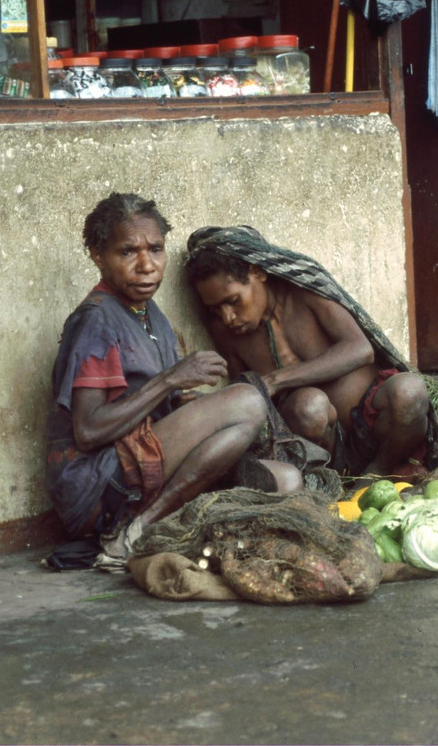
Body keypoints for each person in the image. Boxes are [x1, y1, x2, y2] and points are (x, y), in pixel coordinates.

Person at [45, 194, 301, 559]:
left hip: (146, 467)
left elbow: (156, 406)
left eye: (156, 249)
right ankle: (137, 531)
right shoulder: (96, 321)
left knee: (287, 481)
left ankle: (169, 526)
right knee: (246, 400)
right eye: (128, 252)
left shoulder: (149, 314)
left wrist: (189, 404)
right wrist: (170, 379)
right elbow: (88, 432)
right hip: (97, 486)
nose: (146, 265)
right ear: (98, 256)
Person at [184, 225, 438, 479]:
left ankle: (377, 474)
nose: (227, 317)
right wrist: (210, 406)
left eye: (232, 301)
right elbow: (247, 392)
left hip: (379, 430)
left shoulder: (305, 292)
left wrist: (276, 380)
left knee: (409, 390)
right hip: (316, 445)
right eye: (215, 309)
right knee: (309, 405)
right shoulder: (226, 330)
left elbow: (360, 350)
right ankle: (334, 480)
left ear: (258, 272)